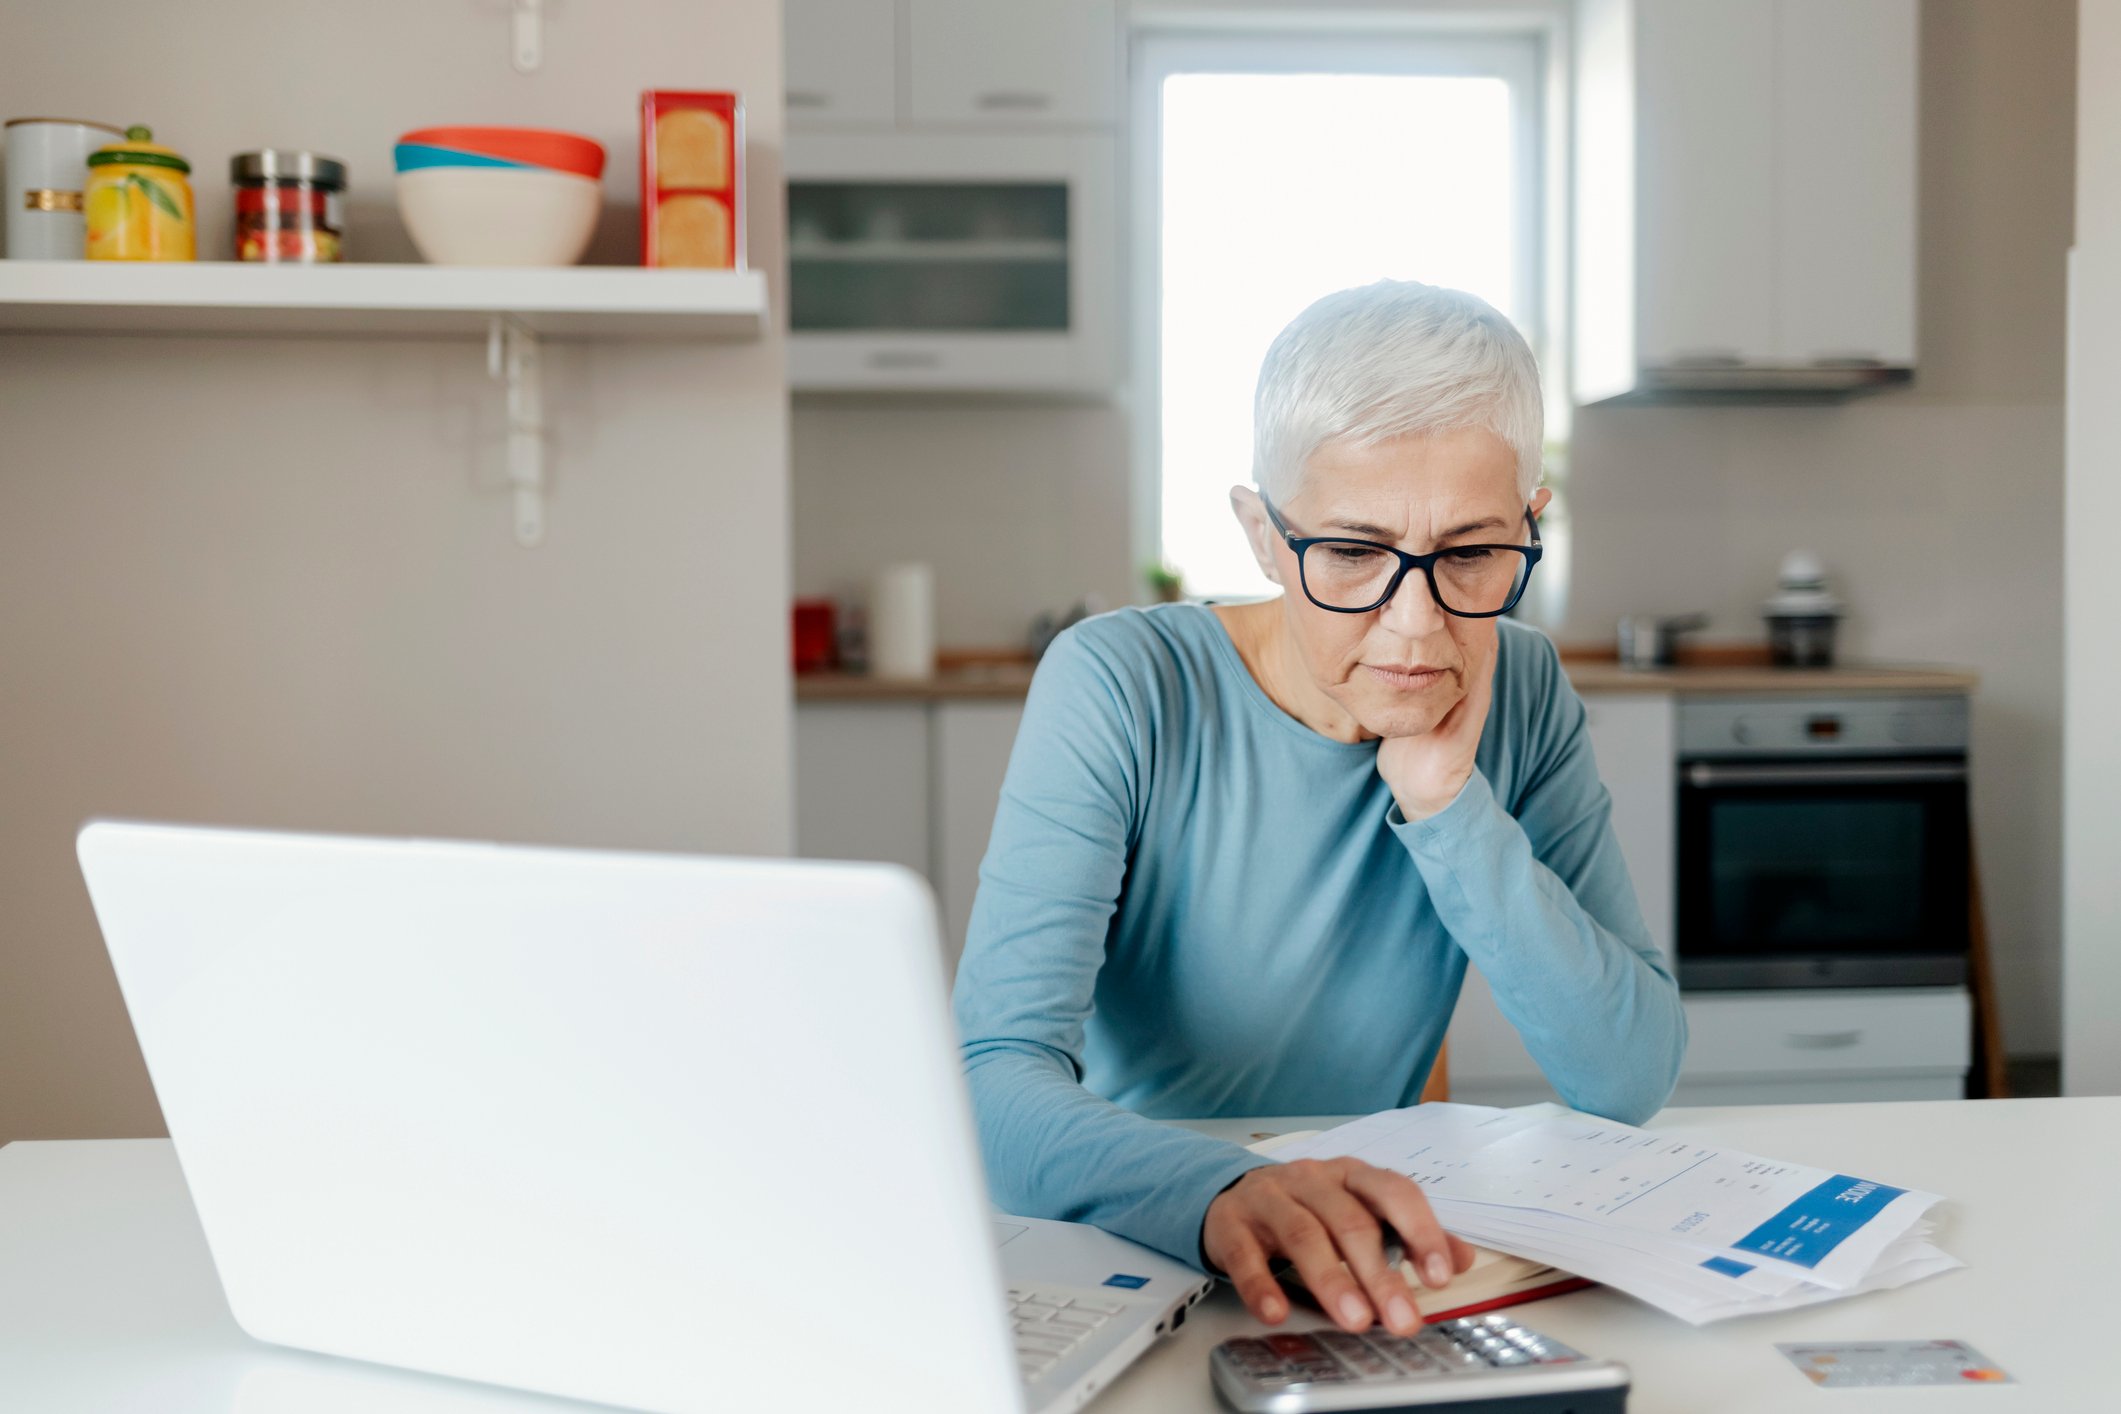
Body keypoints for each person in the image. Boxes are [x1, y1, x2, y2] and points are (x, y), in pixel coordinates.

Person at [951, 280, 1685, 1342]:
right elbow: (991, 1085)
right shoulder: (1119, 681)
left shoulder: (1519, 687)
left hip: (1358, 1264)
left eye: (1472, 554)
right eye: (1351, 552)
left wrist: (1446, 805)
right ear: (1260, 532)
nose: (1415, 626)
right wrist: (1224, 1190)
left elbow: (1626, 1077)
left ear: (1532, 527)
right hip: (1130, 1242)